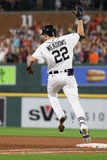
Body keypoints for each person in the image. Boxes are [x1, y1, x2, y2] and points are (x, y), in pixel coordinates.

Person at [26, 5, 91, 143]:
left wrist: (29, 68)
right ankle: (83, 124)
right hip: (69, 76)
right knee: (75, 102)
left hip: (54, 77)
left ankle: (60, 115)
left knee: (52, 95)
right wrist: (79, 19)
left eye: (42, 35)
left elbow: (31, 60)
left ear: (45, 35)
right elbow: (81, 34)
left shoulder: (43, 46)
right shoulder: (67, 39)